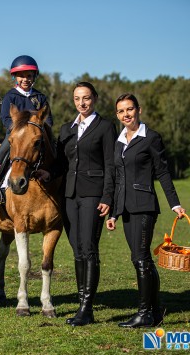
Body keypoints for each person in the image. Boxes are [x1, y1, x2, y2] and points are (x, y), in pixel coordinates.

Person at [39, 82, 116, 326]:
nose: (81, 103)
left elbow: (111, 165)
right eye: (77, 98)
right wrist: (48, 174)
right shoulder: (67, 129)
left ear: (94, 99)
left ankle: (86, 308)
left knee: (89, 247)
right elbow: (62, 163)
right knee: (76, 248)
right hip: (70, 196)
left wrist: (108, 197)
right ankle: (84, 303)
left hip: (94, 194)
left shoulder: (105, 127)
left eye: (86, 98)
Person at [106, 93, 185, 328]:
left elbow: (162, 172)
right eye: (121, 111)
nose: (125, 114)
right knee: (142, 260)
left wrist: (175, 203)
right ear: (117, 115)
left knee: (140, 259)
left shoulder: (151, 138)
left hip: (144, 205)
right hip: (126, 208)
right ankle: (155, 309)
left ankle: (144, 314)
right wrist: (113, 213)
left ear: (138, 110)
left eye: (129, 109)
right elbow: (118, 178)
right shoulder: (119, 141)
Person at [0, 55, 53, 206]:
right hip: (16, 134)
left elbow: (48, 119)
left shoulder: (40, 97)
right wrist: (16, 129)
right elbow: (5, 118)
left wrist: (41, 128)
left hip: (35, 135)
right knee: (2, 151)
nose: (25, 79)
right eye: (21, 76)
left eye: (29, 76)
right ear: (15, 77)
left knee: (54, 150)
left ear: (34, 76)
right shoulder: (10, 96)